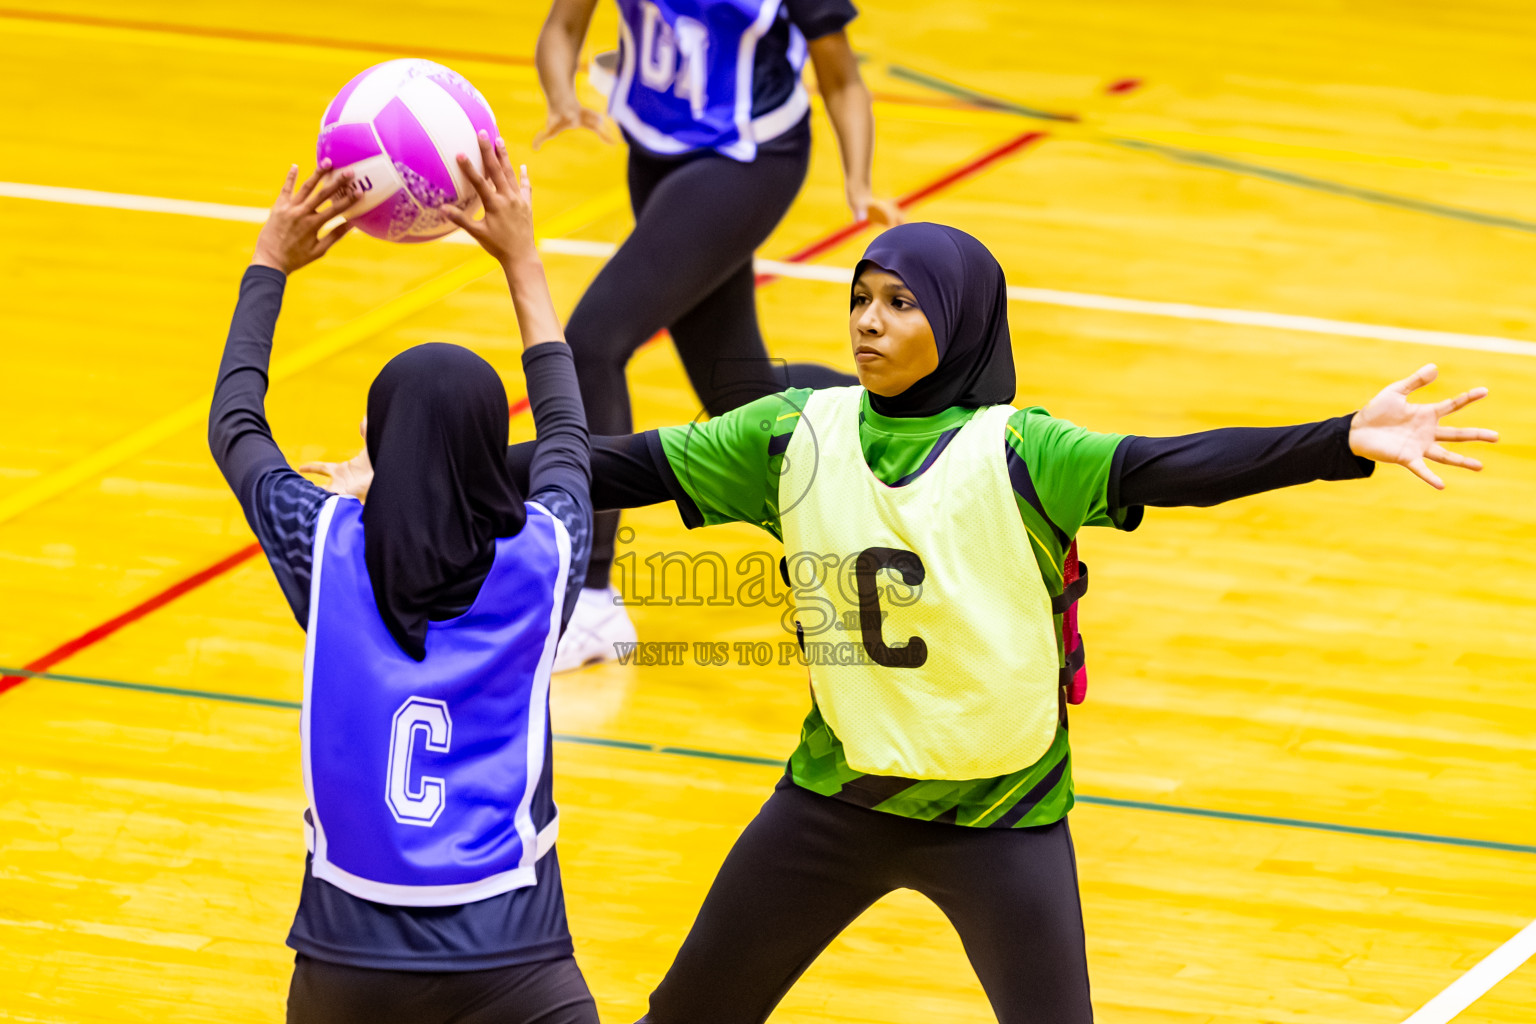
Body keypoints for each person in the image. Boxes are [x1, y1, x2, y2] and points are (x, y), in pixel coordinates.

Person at [311, 222, 1496, 1023]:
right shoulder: (793, 431)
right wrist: (427, 465)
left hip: (1002, 821)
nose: (870, 323)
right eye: (860, 300)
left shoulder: (1025, 451)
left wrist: (1339, 441)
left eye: (900, 304)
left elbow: (1176, 465)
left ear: (962, 324)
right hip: (832, 806)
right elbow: (612, 464)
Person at [208, 134, 600, 1024]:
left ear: (386, 449)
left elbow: (235, 424)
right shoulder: (544, 561)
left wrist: (270, 262)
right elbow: (568, 435)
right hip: (517, 964)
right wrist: (522, 259)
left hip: (348, 965)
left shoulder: (327, 549)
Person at [533, 0, 898, 669]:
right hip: (655, 154)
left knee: (592, 343)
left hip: (750, 160)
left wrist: (859, 180)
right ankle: (911, 419)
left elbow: (841, 78)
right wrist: (561, 96)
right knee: (740, 394)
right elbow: (562, 26)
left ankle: (590, 594)